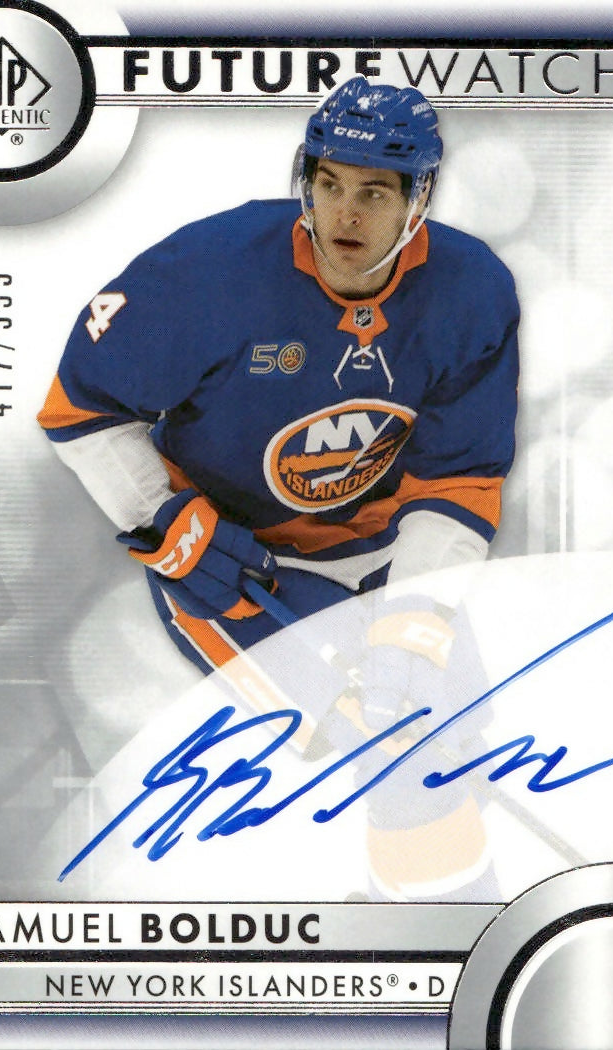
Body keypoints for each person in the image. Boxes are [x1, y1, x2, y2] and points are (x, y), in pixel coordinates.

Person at [38, 76, 520, 901]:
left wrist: (412, 620)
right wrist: (166, 522)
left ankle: (433, 920)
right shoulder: (208, 273)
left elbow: (460, 480)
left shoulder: (471, 291)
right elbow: (78, 408)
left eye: (374, 193)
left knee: (454, 729)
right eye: (329, 184)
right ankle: (422, 932)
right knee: (390, 756)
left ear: (420, 197)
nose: (345, 215)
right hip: (239, 563)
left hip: (382, 548)